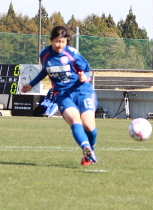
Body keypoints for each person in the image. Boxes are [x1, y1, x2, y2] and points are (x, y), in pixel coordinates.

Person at [21, 26, 98, 166]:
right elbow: (45, 70)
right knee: (74, 120)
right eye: (57, 41)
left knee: (88, 126)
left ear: (66, 41)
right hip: (62, 94)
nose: (59, 45)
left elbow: (86, 70)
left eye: (62, 41)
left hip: (82, 91)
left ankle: (90, 150)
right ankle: (86, 148)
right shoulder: (44, 54)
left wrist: (83, 76)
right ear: (51, 40)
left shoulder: (73, 54)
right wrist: (31, 84)